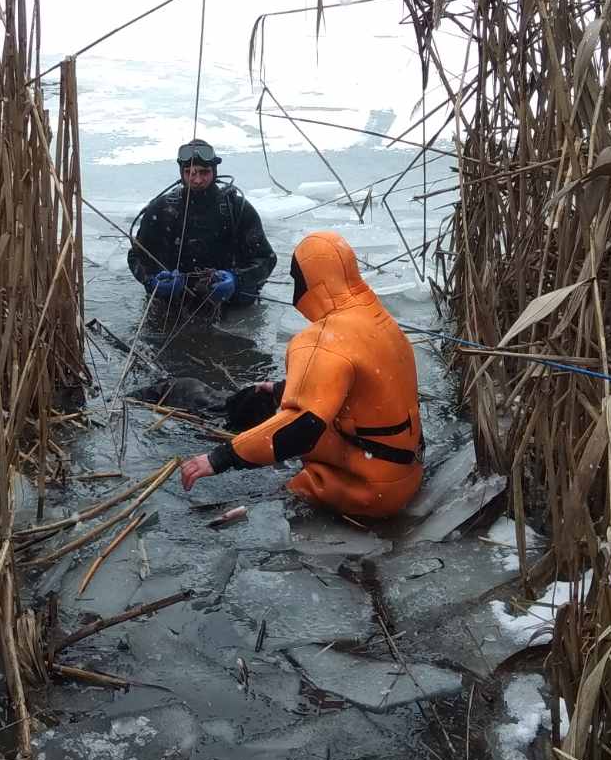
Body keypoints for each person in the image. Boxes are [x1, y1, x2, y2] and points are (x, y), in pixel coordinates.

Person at [179, 230, 423, 518]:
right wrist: (283, 391)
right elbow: (366, 391)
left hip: (368, 492)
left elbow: (301, 427)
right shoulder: (378, 319)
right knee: (270, 401)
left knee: (278, 422)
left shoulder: (322, 339)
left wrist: (221, 457)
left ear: (309, 280)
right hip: (408, 472)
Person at [127, 138, 276, 309]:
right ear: (182, 173)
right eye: (190, 172)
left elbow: (267, 259)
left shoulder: (236, 208)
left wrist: (236, 279)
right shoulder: (162, 209)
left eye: (204, 172)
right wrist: (152, 281)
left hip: (228, 304)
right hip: (173, 303)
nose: (197, 180)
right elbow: (136, 256)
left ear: (214, 171)